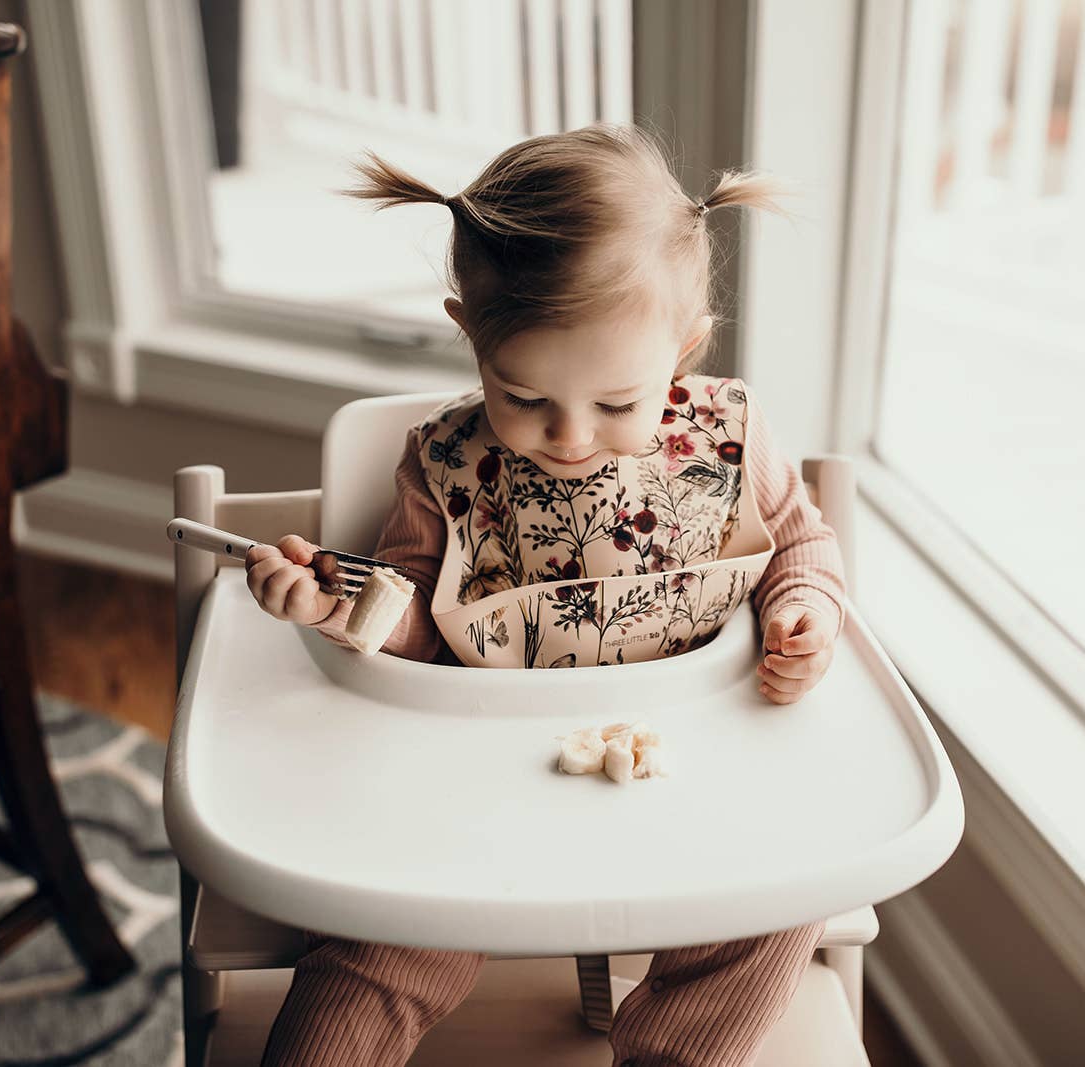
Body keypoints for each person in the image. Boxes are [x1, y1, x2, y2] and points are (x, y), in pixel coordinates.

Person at [244, 123, 847, 1067]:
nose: (568, 435)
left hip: (686, 778)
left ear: (684, 349)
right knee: (375, 941)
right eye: (523, 397)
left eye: (616, 403)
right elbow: (417, 612)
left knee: (783, 897)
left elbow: (798, 541)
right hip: (477, 788)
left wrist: (801, 609)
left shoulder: (725, 439)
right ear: (470, 334)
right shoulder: (445, 463)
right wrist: (340, 606)